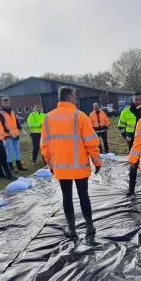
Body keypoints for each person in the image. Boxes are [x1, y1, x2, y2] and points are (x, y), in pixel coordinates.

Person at [41, 86, 103, 239]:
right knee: (83, 196)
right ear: (69, 98)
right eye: (75, 97)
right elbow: (91, 142)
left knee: (66, 197)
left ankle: (72, 229)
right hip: (79, 166)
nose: (76, 100)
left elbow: (45, 145)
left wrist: (50, 165)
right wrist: (97, 161)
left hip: (61, 168)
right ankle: (89, 227)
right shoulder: (79, 116)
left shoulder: (48, 118)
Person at [0, 97, 27, 171]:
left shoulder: (12, 112)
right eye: (5, 103)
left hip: (15, 134)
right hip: (8, 135)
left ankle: (19, 165)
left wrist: (22, 129)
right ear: (2, 103)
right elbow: (2, 126)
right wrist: (9, 133)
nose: (7, 104)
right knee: (10, 150)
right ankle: (10, 167)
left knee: (17, 150)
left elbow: (17, 123)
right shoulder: (0, 114)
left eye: (8, 103)